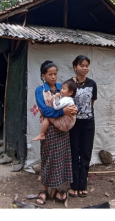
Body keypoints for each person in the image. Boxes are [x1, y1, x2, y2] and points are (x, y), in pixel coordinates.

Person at [33, 61, 78, 206]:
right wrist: (62, 111)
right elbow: (44, 110)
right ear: (43, 75)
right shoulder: (40, 90)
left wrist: (74, 109)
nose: (53, 77)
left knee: (60, 159)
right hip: (49, 130)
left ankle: (55, 189)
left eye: (55, 74)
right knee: (48, 158)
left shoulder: (61, 87)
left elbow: (71, 100)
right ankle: (44, 190)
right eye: (50, 74)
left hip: (63, 129)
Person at [69, 55, 98, 198]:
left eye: (87, 65)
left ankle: (83, 185)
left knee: (86, 153)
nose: (85, 68)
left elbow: (92, 102)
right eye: (82, 65)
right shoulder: (69, 84)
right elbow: (65, 102)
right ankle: (74, 185)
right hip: (73, 124)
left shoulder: (92, 84)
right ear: (75, 67)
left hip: (88, 123)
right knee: (74, 154)